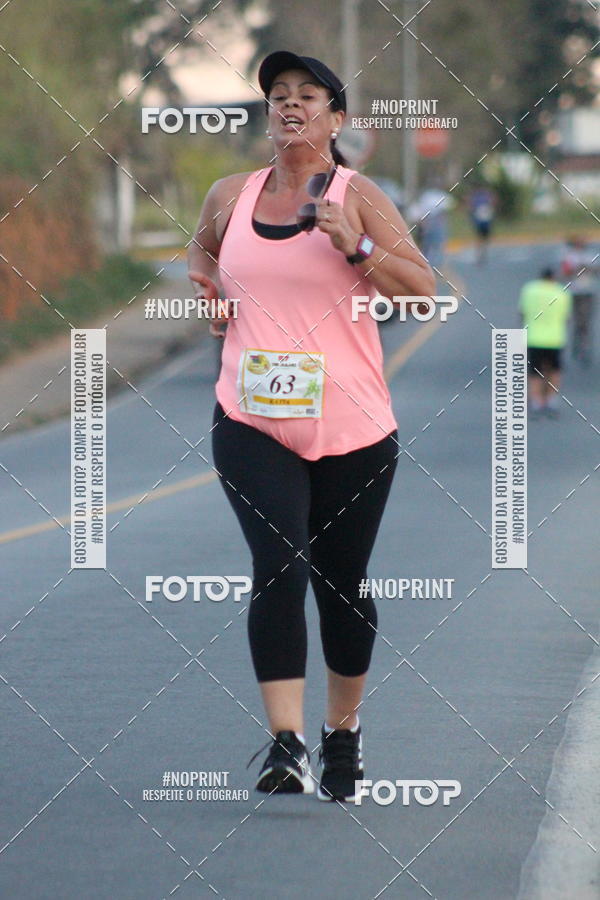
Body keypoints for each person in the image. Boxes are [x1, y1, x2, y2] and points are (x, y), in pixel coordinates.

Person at [187, 50, 435, 803]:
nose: (290, 106)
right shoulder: (231, 195)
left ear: (338, 116)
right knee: (280, 567)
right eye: (278, 97)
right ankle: (285, 743)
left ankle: (343, 733)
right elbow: (202, 252)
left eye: (308, 95)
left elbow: (422, 291)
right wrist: (207, 292)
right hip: (251, 418)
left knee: (340, 584)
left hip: (353, 426)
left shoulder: (360, 199)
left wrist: (351, 244)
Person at [518, 267, 572, 419]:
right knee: (554, 370)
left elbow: (522, 312)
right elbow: (566, 317)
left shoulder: (529, 289)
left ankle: (536, 400)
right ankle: (551, 399)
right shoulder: (562, 292)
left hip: (534, 337)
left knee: (535, 371)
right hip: (555, 338)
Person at [559, 235, 598, 366]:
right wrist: (578, 269)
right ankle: (575, 345)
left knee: (585, 322)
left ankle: (584, 347)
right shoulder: (569, 257)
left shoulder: (591, 256)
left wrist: (589, 268)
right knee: (572, 321)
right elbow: (564, 273)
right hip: (573, 292)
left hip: (587, 293)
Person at [408, 182, 452, 272]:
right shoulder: (428, 197)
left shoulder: (437, 197)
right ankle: (427, 266)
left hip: (433, 226)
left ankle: (432, 266)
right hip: (429, 226)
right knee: (428, 246)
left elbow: (443, 214)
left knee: (434, 246)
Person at [468, 184, 496, 263]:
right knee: (481, 238)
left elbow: (471, 207)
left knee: (482, 239)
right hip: (482, 221)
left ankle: (481, 254)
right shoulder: (483, 196)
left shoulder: (481, 196)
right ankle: (481, 254)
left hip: (484, 221)